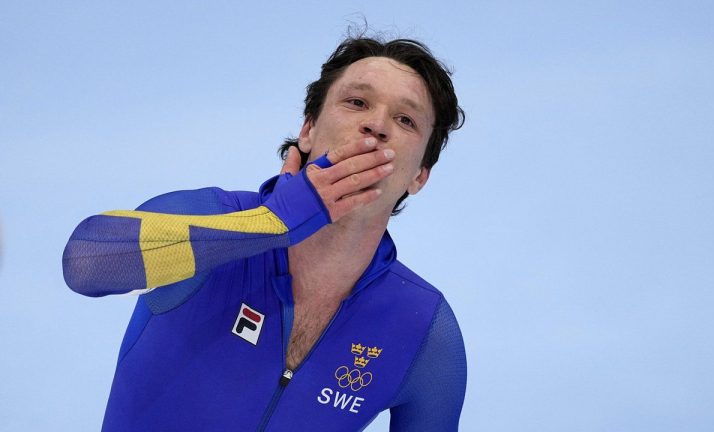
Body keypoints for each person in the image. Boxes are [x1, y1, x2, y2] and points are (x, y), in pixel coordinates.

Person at [63, 34, 467, 431]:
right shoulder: (209, 221)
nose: (376, 126)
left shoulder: (423, 331)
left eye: (405, 120)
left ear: (419, 176)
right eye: (357, 102)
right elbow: (85, 264)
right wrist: (269, 225)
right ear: (308, 130)